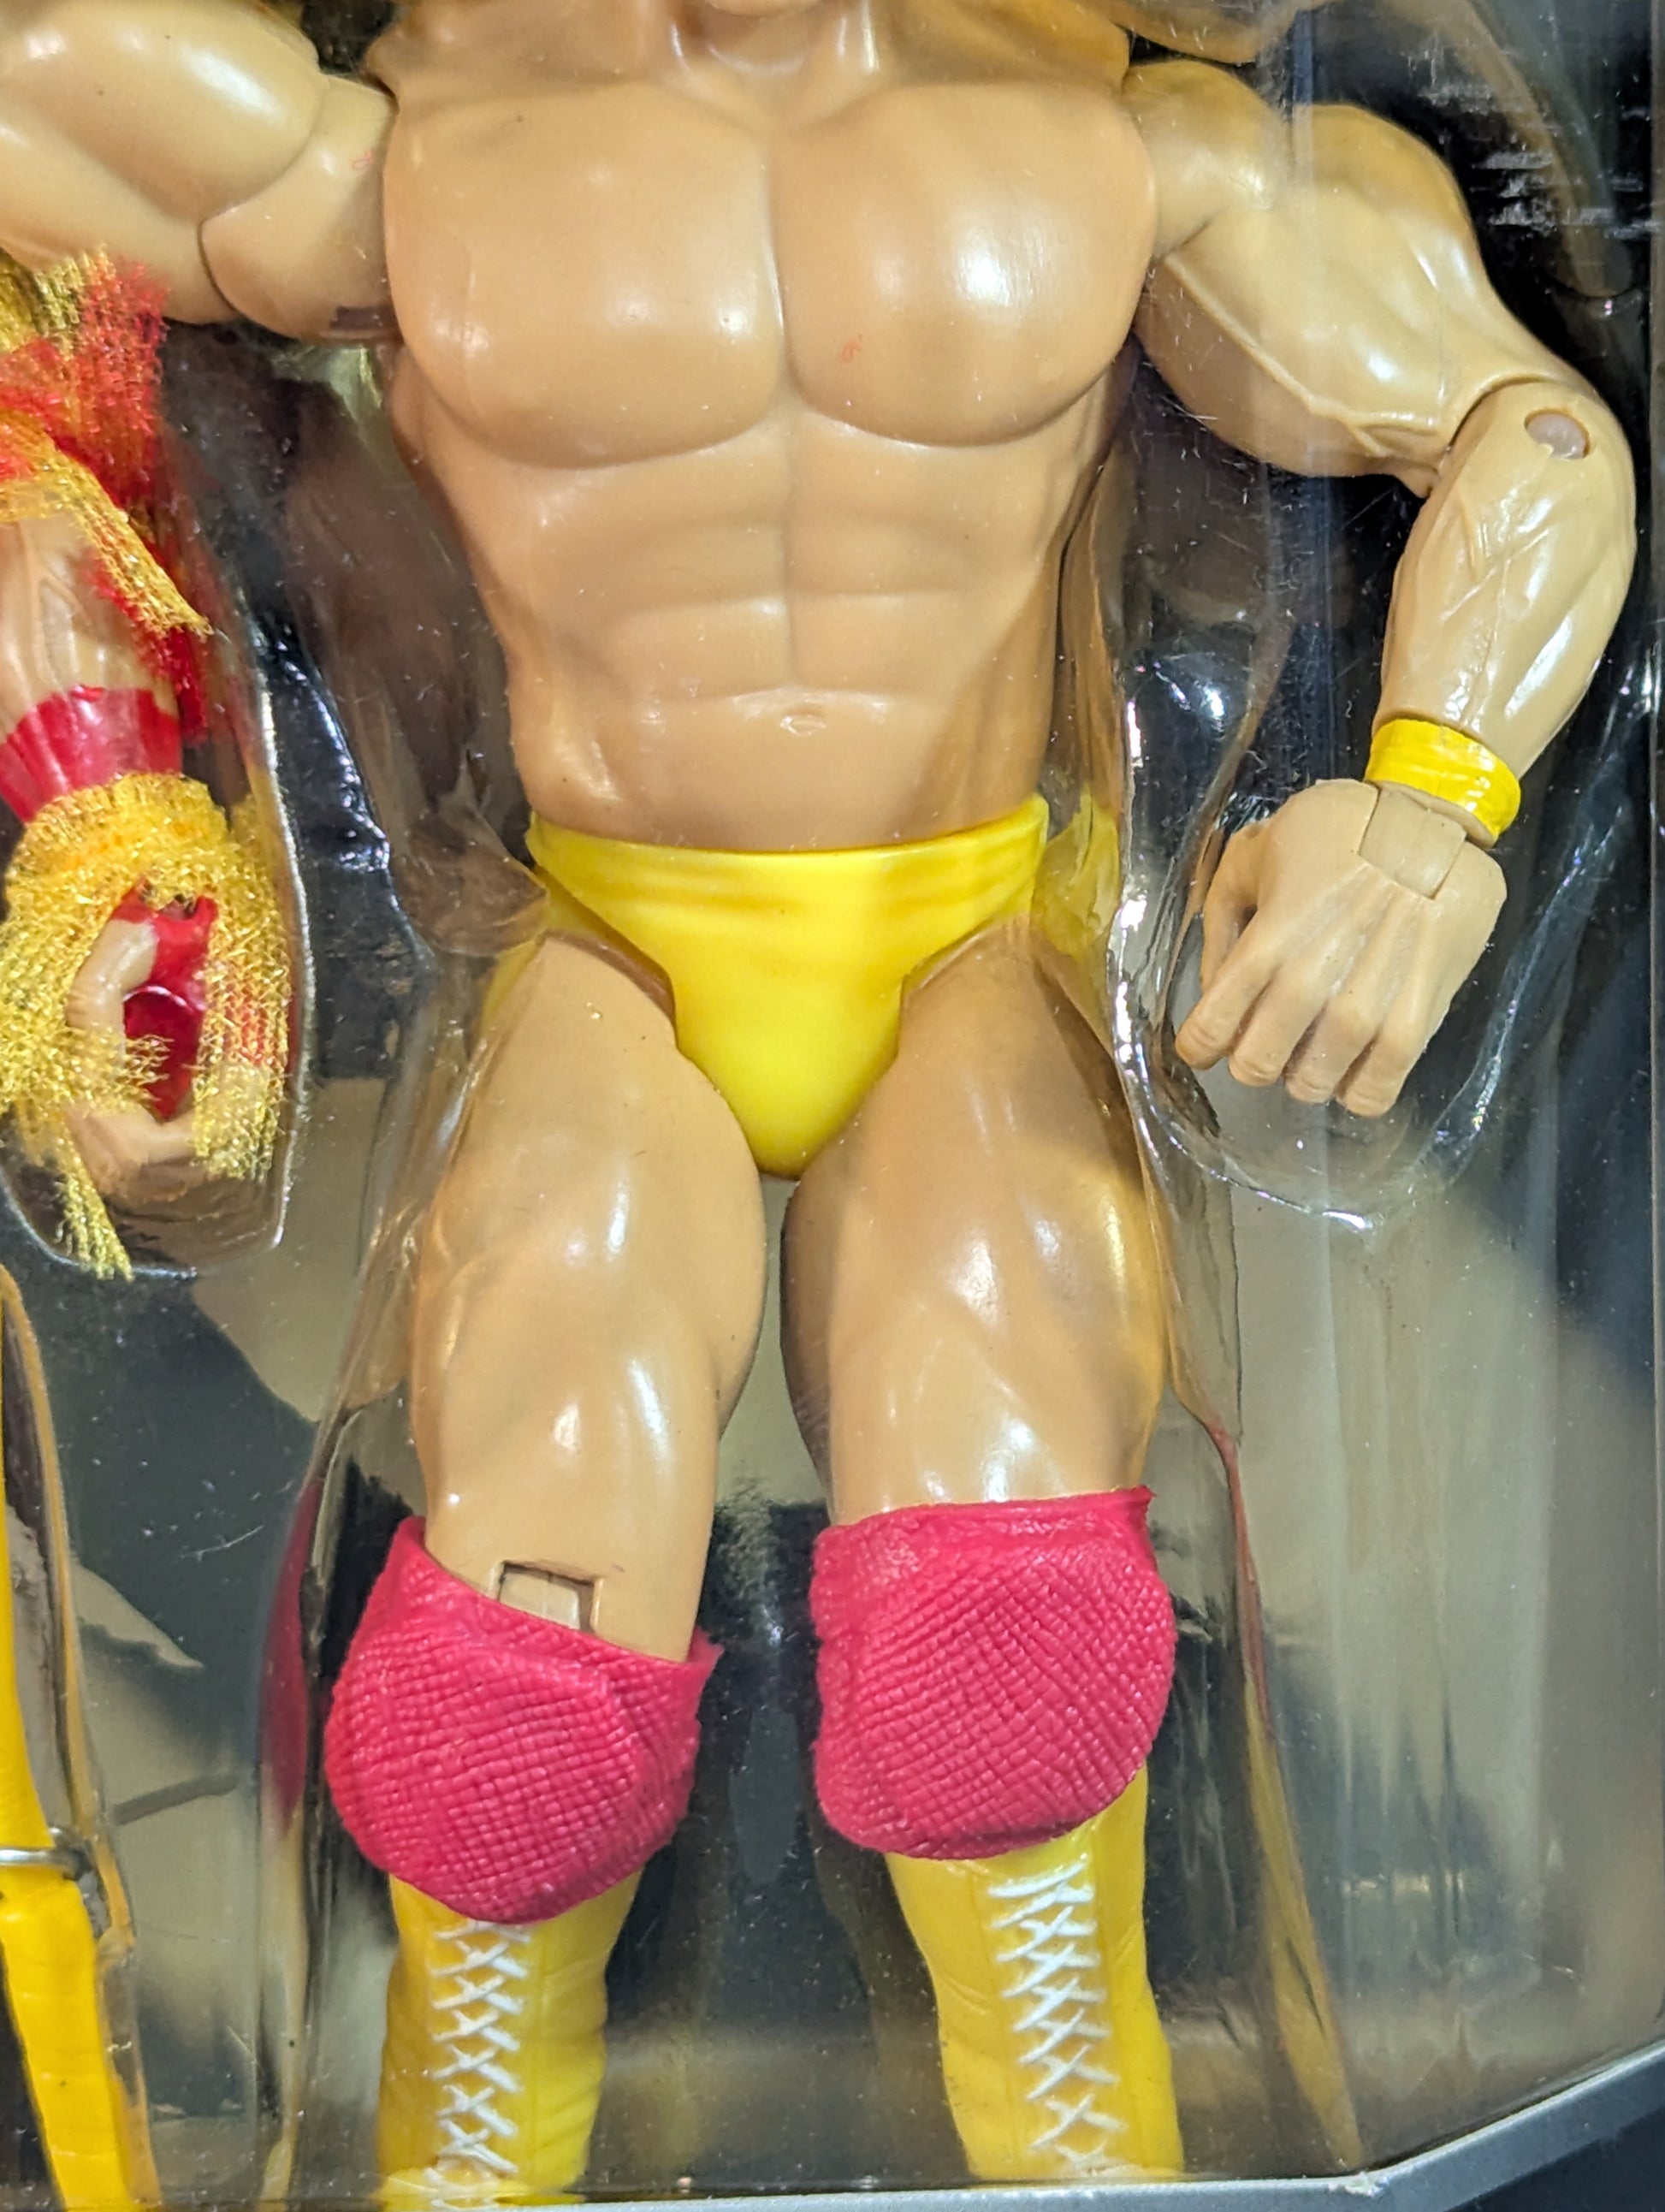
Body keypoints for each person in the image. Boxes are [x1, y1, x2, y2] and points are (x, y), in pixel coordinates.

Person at [0, 0, 1634, 2195]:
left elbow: (1528, 433)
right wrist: (108, 827)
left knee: (1005, 1633)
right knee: (516, 1661)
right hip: (600, 944)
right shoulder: (399, 145)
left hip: (966, 942)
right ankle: (457, 2162)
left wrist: (1432, 803)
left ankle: (1081, 2155)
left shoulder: (1112, 140)